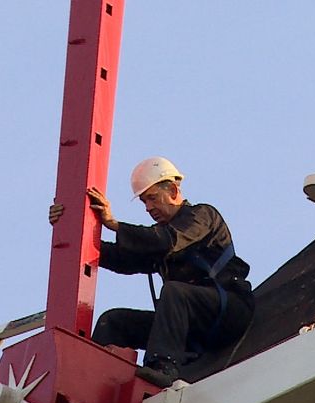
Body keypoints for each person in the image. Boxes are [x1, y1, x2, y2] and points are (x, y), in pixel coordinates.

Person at [48, 157, 253, 387]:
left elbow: (166, 241)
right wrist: (70, 229)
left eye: (152, 198)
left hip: (229, 312)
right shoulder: (159, 238)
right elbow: (123, 258)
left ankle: (163, 368)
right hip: (192, 328)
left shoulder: (202, 216)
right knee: (114, 321)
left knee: (174, 292)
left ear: (173, 190)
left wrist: (114, 224)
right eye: (144, 201)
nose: (148, 208)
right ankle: (88, 382)